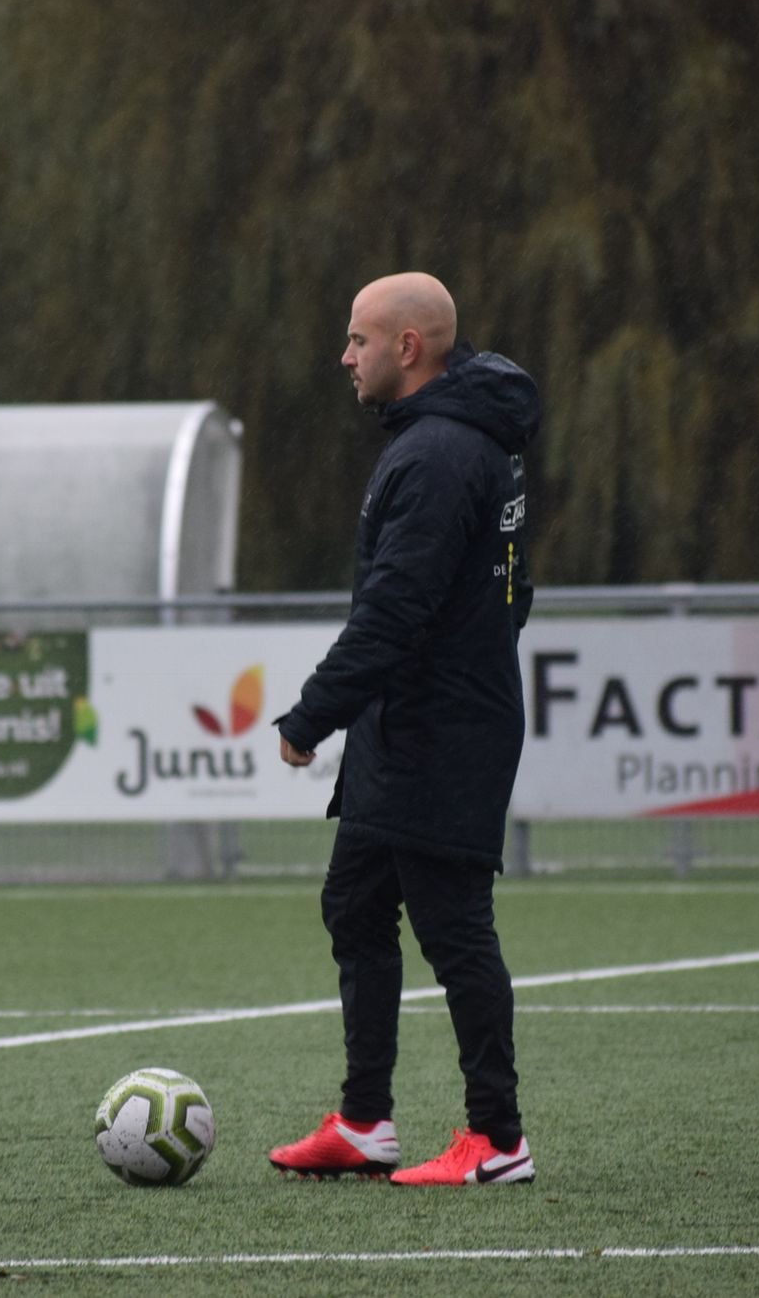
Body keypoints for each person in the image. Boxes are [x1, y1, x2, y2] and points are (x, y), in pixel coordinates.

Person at [268, 272, 540, 1187]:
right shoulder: (461, 439)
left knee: (455, 930)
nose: (345, 357)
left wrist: (313, 714)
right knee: (354, 904)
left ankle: (497, 1139)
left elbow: (394, 611)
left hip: (440, 732)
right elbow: (515, 589)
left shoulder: (437, 454)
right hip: (414, 722)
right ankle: (364, 1122)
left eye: (358, 340)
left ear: (408, 348)